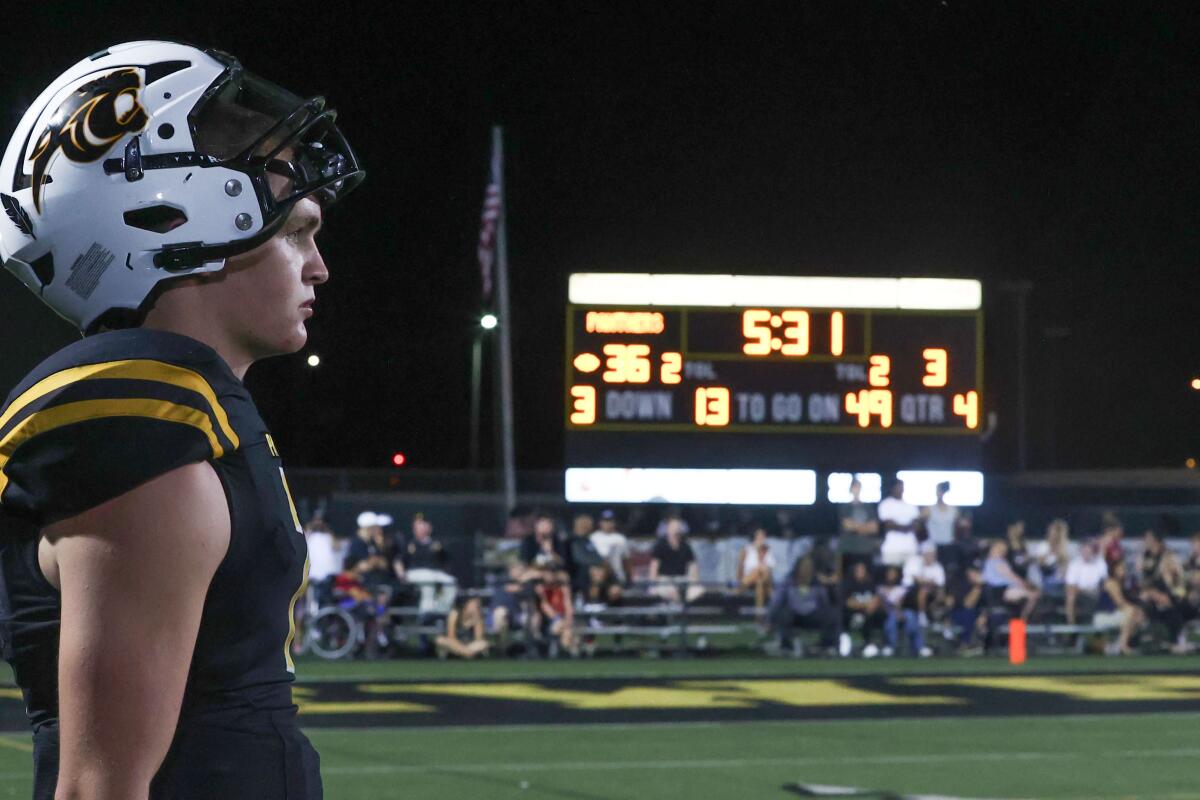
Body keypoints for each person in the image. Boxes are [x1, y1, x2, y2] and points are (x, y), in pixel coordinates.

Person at [0, 41, 363, 799]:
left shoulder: (194, 411)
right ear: (175, 215)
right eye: (295, 231)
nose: (318, 265)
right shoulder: (137, 417)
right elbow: (99, 788)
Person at [767, 556, 838, 657]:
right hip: (794, 615)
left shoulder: (816, 583)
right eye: (804, 567)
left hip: (812, 615)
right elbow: (776, 601)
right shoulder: (789, 581)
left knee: (832, 614)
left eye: (808, 567)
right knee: (783, 613)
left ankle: (826, 646)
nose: (806, 569)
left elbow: (824, 601)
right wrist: (769, 620)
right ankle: (786, 646)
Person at [399, 513, 456, 614]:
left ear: (429, 527)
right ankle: (426, 614)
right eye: (418, 526)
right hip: (415, 573)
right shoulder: (410, 543)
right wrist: (402, 575)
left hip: (434, 572)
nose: (421, 529)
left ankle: (441, 611)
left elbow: (446, 560)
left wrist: (439, 551)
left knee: (451, 581)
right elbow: (398, 561)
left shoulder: (436, 543)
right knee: (428, 582)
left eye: (423, 525)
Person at [900, 542, 945, 657]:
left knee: (914, 623)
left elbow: (940, 585)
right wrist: (929, 582)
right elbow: (917, 580)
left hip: (929, 597)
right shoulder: (914, 562)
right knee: (922, 593)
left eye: (933, 554)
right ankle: (922, 614)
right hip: (909, 596)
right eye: (929, 554)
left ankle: (921, 647)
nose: (931, 557)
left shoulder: (938, 567)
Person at [982, 540, 1041, 621]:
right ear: (992, 549)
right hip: (1000, 592)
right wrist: (1027, 585)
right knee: (1034, 594)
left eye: (1004, 550)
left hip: (1002, 592)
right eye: (999, 549)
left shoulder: (989, 562)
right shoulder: (997, 562)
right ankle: (1023, 621)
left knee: (1023, 602)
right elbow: (1013, 578)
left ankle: (1020, 623)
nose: (1002, 552)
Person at [650, 518, 703, 603]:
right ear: (668, 530)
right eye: (674, 528)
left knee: (697, 591)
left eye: (678, 528)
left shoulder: (685, 546)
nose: (676, 530)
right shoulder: (660, 545)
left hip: (682, 579)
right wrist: (652, 584)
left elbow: (692, 565)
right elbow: (654, 566)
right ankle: (677, 611)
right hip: (665, 579)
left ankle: (687, 611)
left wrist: (694, 581)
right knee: (672, 592)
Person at [842, 561, 888, 657]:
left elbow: (877, 598)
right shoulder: (848, 584)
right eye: (858, 570)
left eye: (862, 570)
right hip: (853, 615)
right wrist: (866, 605)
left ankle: (881, 645)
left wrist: (871, 605)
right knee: (859, 617)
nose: (861, 572)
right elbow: (848, 602)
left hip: (870, 614)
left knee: (881, 615)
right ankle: (861, 644)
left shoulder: (870, 584)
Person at [838, 477, 880, 567]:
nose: (856, 489)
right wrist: (865, 528)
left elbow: (874, 528)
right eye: (854, 487)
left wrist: (856, 527)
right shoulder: (845, 507)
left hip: (866, 549)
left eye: (858, 487)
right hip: (849, 549)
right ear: (851, 489)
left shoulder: (869, 507)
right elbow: (847, 526)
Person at [1064, 540, 1108, 625]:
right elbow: (1070, 584)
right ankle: (1071, 623)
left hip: (1096, 593)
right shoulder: (1074, 564)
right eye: (1084, 550)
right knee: (1071, 592)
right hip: (1080, 593)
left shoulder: (1099, 562)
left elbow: (1104, 582)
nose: (1086, 553)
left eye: (1089, 550)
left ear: (1093, 551)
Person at [878, 479, 919, 566]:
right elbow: (888, 524)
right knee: (891, 575)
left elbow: (916, 524)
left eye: (902, 487)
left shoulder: (911, 505)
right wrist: (907, 527)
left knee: (909, 575)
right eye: (898, 487)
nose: (900, 489)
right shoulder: (886, 504)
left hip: (910, 547)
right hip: (892, 547)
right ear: (893, 488)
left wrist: (899, 526)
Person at [737, 527, 777, 610]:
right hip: (751, 576)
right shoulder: (748, 548)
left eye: (763, 536)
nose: (761, 538)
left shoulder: (767, 549)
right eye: (759, 536)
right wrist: (760, 566)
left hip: (761, 578)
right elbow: (746, 565)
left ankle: (759, 616)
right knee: (759, 574)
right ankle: (772, 610)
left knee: (761, 581)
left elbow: (772, 564)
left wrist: (762, 566)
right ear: (755, 537)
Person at [922, 481, 959, 550]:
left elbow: (957, 529)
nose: (939, 493)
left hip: (948, 545)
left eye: (941, 491)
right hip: (933, 546)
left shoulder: (954, 510)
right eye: (938, 491)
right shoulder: (927, 510)